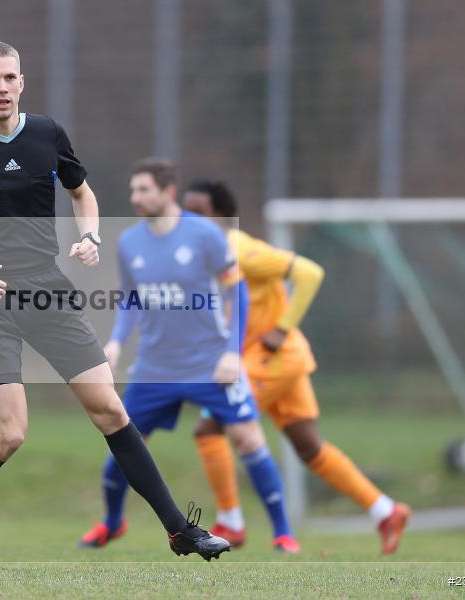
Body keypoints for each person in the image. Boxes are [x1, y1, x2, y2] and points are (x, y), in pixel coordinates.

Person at [0, 41, 229, 571]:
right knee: (10, 433)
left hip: (48, 290)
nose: (3, 88)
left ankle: (179, 530)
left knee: (110, 409)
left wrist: (91, 238)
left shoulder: (46, 134)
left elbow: (83, 194)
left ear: (22, 80)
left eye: (10, 77)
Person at [77, 159, 299, 554]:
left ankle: (283, 534)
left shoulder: (206, 235)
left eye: (144, 190)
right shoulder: (129, 242)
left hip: (210, 363)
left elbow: (238, 292)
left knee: (248, 438)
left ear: (168, 192)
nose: (135, 198)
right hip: (154, 367)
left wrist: (232, 353)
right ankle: (111, 523)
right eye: (133, 190)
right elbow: (129, 299)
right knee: (120, 441)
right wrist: (115, 341)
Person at [183, 179, 411, 555]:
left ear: (221, 217)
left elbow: (309, 274)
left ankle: (231, 523)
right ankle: (386, 510)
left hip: (271, 356)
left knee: (210, 425)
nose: (189, 219)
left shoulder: (239, 249)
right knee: (310, 449)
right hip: (281, 360)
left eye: (199, 212)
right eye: (185, 211)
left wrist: (280, 329)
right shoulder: (203, 254)